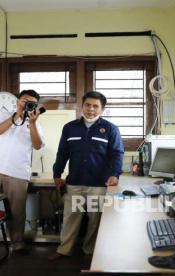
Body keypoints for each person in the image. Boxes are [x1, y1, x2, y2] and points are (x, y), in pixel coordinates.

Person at [49, 91, 124, 260]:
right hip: (75, 182)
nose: (91, 109)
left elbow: (117, 154)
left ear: (102, 109)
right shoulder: (70, 128)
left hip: (98, 183)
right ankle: (64, 249)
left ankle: (90, 251)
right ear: (82, 106)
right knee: (70, 217)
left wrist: (115, 174)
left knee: (94, 220)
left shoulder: (110, 129)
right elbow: (62, 153)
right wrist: (57, 173)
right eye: (88, 105)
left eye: (95, 106)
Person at [0, 89, 45, 254]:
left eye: (31, 102)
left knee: (17, 211)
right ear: (18, 101)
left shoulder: (35, 123)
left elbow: (38, 145)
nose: (27, 104)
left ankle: (17, 244)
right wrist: (17, 115)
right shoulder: (3, 114)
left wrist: (31, 124)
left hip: (18, 172)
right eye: (24, 100)